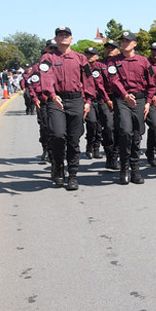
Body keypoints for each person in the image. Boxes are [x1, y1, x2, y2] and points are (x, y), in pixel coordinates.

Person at [38, 26, 96, 190]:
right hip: (56, 100)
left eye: (66, 35)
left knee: (73, 139)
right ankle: (57, 168)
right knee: (57, 135)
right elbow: (46, 76)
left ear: (71, 39)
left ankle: (72, 175)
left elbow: (88, 80)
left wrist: (88, 101)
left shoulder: (81, 58)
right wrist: (52, 94)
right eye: (60, 35)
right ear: (55, 39)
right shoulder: (47, 58)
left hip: (76, 100)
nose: (63, 37)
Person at [105, 31, 156, 185]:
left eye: (128, 41)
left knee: (136, 135)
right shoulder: (113, 61)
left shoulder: (144, 61)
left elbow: (152, 83)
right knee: (125, 131)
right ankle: (124, 168)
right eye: (123, 41)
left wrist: (147, 102)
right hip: (123, 100)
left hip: (140, 101)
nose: (125, 43)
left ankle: (135, 170)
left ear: (134, 43)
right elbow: (113, 80)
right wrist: (125, 94)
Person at [83, 47, 108, 160]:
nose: (89, 56)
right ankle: (89, 147)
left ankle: (96, 149)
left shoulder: (101, 67)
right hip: (89, 100)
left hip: (101, 99)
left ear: (97, 56)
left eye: (92, 54)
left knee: (100, 125)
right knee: (92, 123)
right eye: (87, 54)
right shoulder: (82, 68)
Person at [99, 40, 121, 170]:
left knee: (122, 127)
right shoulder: (99, 64)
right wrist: (107, 99)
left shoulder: (122, 62)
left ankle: (118, 154)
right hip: (105, 98)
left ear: (118, 50)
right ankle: (110, 156)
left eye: (112, 48)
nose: (109, 50)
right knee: (108, 126)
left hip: (121, 98)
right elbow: (98, 84)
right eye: (107, 48)